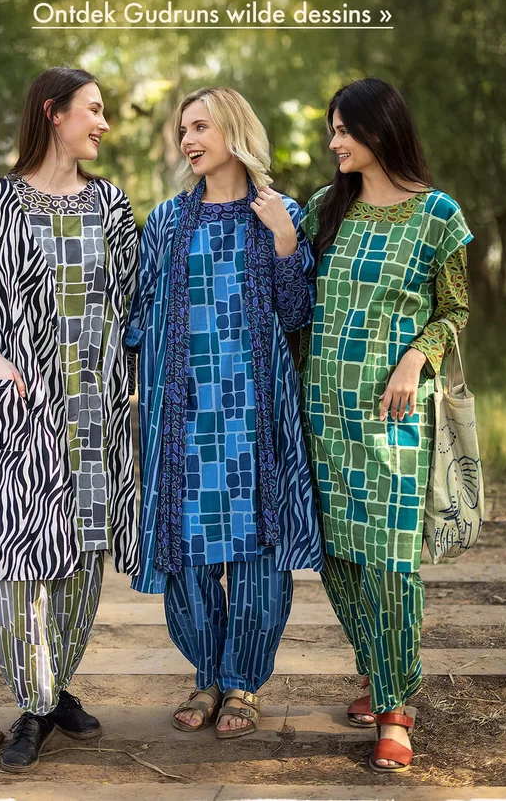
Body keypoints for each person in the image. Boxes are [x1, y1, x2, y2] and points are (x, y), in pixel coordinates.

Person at [0, 67, 139, 772]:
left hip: (93, 411)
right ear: (54, 113)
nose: (104, 124)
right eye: (94, 110)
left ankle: (51, 694)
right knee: (20, 562)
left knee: (78, 560)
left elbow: (137, 306)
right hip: (17, 411)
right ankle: (35, 701)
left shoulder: (111, 204)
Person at [127, 87, 322, 738]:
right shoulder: (165, 222)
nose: (188, 140)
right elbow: (138, 315)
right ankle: (206, 675)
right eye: (183, 129)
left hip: (253, 415)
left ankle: (243, 684)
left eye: (200, 126)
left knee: (258, 552)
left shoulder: (278, 212)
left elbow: (296, 315)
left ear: (233, 130)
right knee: (185, 549)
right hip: (182, 414)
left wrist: (287, 241)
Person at [300, 77, 472, 772]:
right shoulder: (324, 208)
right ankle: (379, 674)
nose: (334, 141)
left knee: (391, 561)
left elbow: (454, 311)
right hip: (322, 406)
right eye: (332, 129)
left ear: (380, 130)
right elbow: (292, 294)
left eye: (345, 128)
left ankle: (397, 712)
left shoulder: (439, 217)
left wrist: (415, 358)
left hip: (393, 413)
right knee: (339, 552)